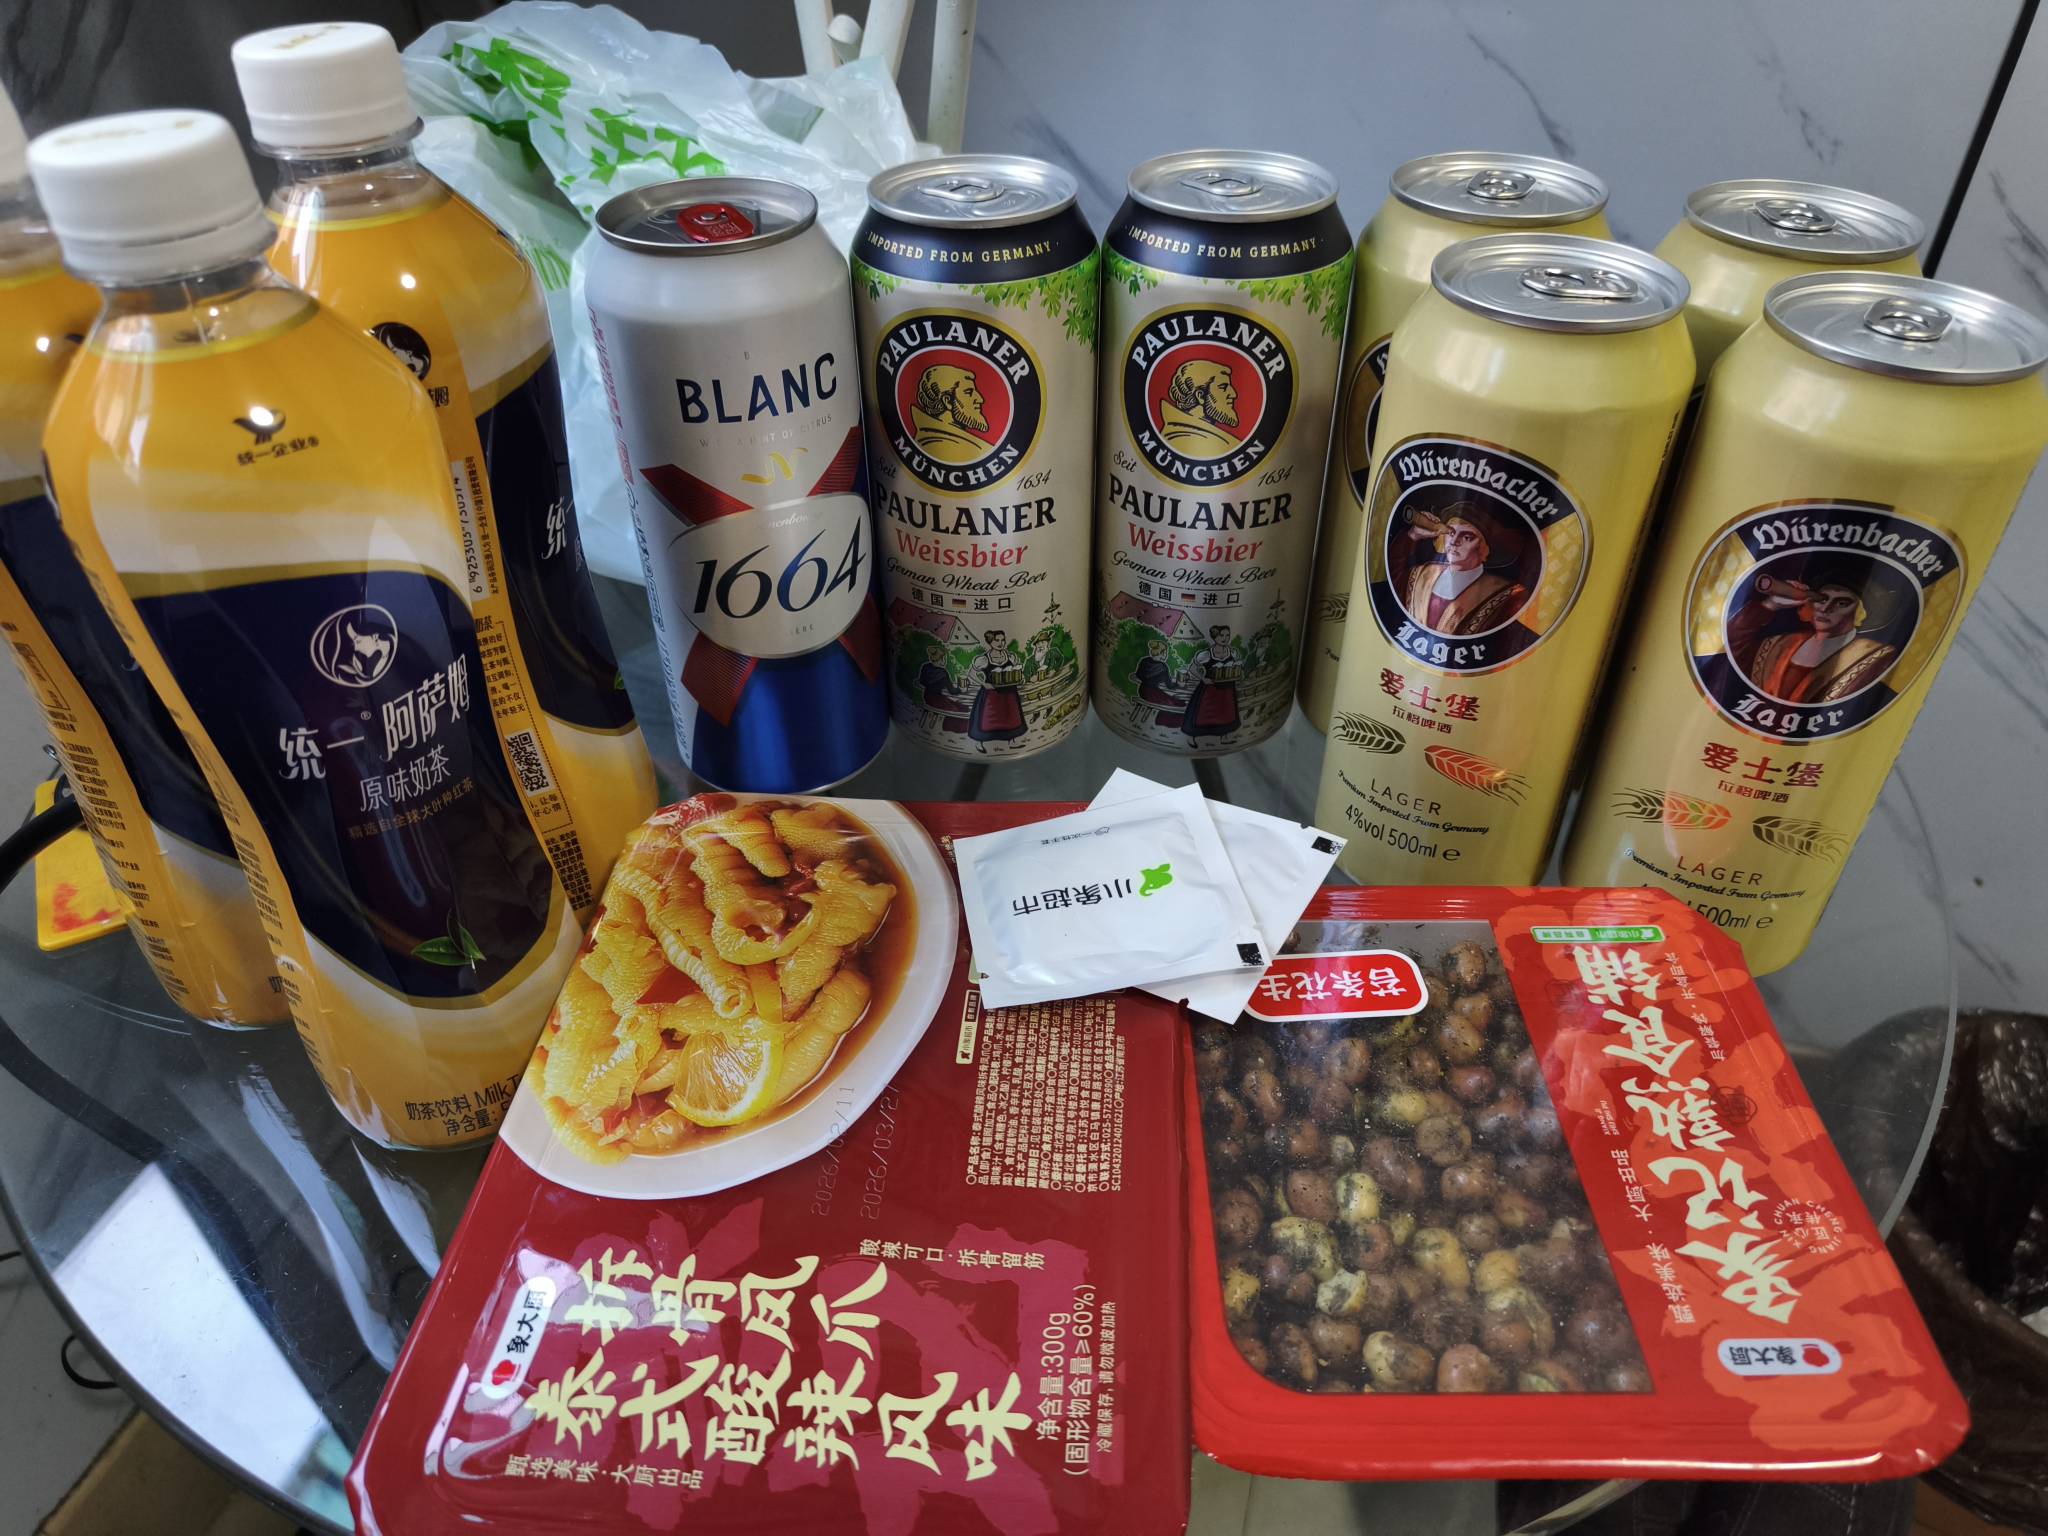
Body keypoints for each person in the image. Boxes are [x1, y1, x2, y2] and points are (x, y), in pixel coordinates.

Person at [1726, 562, 1900, 702]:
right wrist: (1771, 604)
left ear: (1860, 612)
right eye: (1822, 600)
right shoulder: (1778, 644)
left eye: (1841, 603)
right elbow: (1728, 647)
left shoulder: (1873, 656)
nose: (1825, 608)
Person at [1399, 502, 1530, 635]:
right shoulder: (1421, 573)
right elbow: (1388, 584)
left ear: (1484, 547)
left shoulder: (1507, 594)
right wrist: (1413, 535)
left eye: (1467, 537)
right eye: (1450, 533)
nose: (1454, 542)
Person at [911, 362, 991, 463]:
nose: (980, 399)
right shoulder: (937, 444)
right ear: (948, 401)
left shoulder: (963, 442)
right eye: (969, 392)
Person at [1160, 359, 1240, 456]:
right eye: (1223, 387)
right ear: (1200, 396)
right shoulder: (1181, 438)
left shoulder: (1211, 436)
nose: (1233, 394)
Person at [966, 629, 1026, 751]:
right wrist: (984, 684)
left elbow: (1018, 671)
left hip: (1009, 693)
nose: (1000, 643)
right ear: (990, 642)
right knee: (987, 719)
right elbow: (971, 673)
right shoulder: (984, 659)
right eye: (997, 640)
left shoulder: (1010, 656)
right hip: (991, 695)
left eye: (1003, 640)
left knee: (1011, 716)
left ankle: (1012, 741)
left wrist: (1021, 678)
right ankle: (979, 742)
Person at [1180, 623, 1241, 742]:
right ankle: (1192, 738)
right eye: (1221, 635)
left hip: (1227, 688)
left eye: (1227, 635)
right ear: (1214, 637)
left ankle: (1224, 737)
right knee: (1202, 713)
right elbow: (1192, 668)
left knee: (1226, 712)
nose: (1225, 638)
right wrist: (1203, 679)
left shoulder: (1232, 652)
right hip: (1210, 689)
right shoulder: (1206, 654)